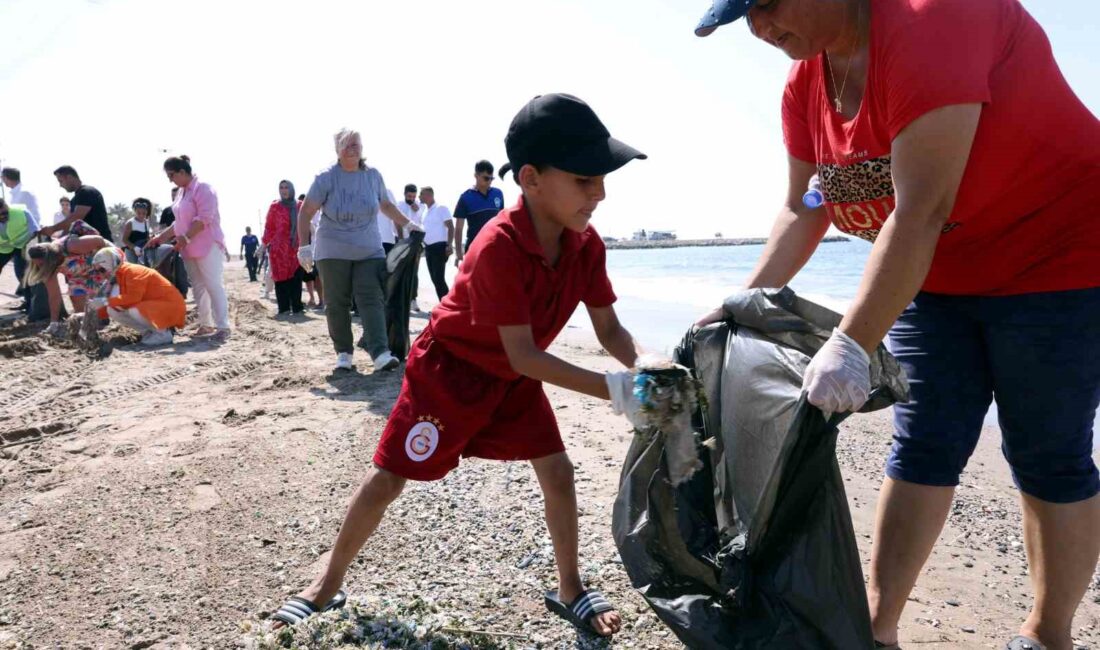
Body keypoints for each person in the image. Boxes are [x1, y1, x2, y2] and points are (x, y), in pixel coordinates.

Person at [692, 2, 1100, 649]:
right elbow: (804, 209)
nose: (759, 27)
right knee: (923, 442)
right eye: (745, 15)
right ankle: (876, 631)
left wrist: (850, 343)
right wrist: (739, 305)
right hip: (937, 269)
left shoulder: (931, 18)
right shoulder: (806, 83)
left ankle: (1048, 636)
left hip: (1060, 255)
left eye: (766, 3)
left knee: (1047, 453)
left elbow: (922, 208)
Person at [268, 93, 647, 638]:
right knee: (390, 475)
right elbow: (525, 352)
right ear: (532, 179)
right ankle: (325, 583)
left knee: (558, 472)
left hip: (513, 379)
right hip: (452, 370)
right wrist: (617, 391)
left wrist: (649, 368)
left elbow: (609, 331)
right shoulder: (499, 245)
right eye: (586, 178)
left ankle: (570, 588)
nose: (601, 192)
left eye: (603, 179)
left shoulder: (586, 247)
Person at [296, 128, 420, 372]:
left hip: (368, 249)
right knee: (337, 302)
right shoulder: (326, 177)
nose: (353, 148)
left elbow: (386, 204)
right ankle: (344, 352)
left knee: (372, 299)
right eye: (348, 144)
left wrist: (408, 223)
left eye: (357, 144)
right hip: (333, 250)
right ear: (338, 150)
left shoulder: (372, 176)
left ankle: (380, 352)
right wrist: (304, 246)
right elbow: (307, 211)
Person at [146, 156, 230, 339]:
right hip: (188, 249)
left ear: (183, 172)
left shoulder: (203, 188)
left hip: (207, 245)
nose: (170, 180)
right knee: (199, 287)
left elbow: (204, 219)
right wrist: (160, 238)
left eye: (172, 175)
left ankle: (223, 327)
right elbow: (178, 223)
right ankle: (206, 325)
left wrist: (185, 238)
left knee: (213, 285)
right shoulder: (181, 192)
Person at [24, 221, 116, 333]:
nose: (40, 267)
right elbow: (54, 296)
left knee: (102, 302)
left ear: (50, 259)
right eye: (37, 265)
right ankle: (90, 327)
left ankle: (104, 318)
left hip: (99, 265)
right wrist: (54, 323)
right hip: (77, 276)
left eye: (41, 264)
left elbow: (99, 240)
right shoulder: (47, 269)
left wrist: (105, 263)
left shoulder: (72, 245)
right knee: (80, 311)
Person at [87, 247, 185, 347]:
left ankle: (163, 334)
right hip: (157, 306)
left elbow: (132, 298)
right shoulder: (119, 274)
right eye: (97, 271)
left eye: (102, 270)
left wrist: (104, 302)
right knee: (113, 310)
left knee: (133, 309)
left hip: (170, 307)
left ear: (112, 262)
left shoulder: (133, 271)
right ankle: (149, 333)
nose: (100, 274)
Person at [262, 180, 305, 315]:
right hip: (278, 250)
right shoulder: (275, 206)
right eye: (281, 187)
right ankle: (284, 308)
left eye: (286, 187)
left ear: (291, 189)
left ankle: (297, 307)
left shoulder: (299, 206)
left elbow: (306, 225)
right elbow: (269, 228)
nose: (284, 190)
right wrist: (263, 244)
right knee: (280, 279)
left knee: (296, 278)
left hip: (295, 248)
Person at [453, 159, 504, 267]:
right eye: (486, 178)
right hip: (474, 248)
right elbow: (458, 228)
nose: (489, 181)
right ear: (476, 175)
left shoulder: (498, 193)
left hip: (496, 247)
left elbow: (503, 220)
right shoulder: (465, 197)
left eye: (491, 178)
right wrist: (458, 253)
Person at [45, 166, 113, 241]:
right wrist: (57, 241)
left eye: (61, 181)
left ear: (69, 177)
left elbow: (75, 218)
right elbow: (69, 226)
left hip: (101, 244)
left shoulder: (86, 192)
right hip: (86, 245)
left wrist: (52, 229)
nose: (60, 185)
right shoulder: (74, 200)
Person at [0, 197, 40, 306]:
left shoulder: (22, 212)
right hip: (3, 248)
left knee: (22, 274)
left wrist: (26, 248)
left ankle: (29, 304)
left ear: (6, 206)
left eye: (4, 212)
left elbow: (35, 231)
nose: (3, 216)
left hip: (22, 245)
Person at [418, 186, 454, 301]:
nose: (419, 196)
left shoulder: (441, 208)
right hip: (428, 248)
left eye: (421, 194)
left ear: (429, 195)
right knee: (434, 279)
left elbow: (450, 227)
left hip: (439, 247)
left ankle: (448, 306)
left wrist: (449, 245)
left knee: (439, 279)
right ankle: (444, 304)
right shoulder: (425, 211)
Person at [397, 183, 423, 311]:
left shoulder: (420, 206)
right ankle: (400, 299)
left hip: (415, 242)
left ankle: (413, 299)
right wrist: (401, 239)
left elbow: (420, 223)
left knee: (414, 271)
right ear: (404, 194)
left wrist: (417, 210)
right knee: (400, 270)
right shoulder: (399, 205)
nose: (411, 198)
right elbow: (396, 222)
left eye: (413, 196)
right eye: (409, 196)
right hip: (401, 241)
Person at [121, 198, 154, 264]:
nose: (141, 215)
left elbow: (146, 237)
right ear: (135, 211)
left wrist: (151, 238)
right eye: (139, 213)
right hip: (131, 252)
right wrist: (135, 248)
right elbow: (124, 240)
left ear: (147, 212)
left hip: (142, 252)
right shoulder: (130, 223)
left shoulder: (146, 222)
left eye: (144, 213)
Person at [376, 187, 399, 255]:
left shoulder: (387, 192)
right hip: (372, 242)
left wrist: (400, 238)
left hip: (386, 239)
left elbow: (396, 215)